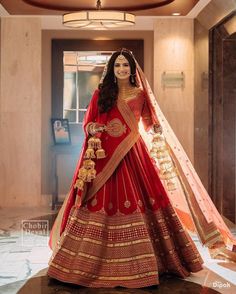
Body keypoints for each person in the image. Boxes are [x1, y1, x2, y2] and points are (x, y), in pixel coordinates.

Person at [47, 48, 235, 288]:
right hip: (105, 157)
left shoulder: (140, 95)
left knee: (143, 200)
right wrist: (93, 129)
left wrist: (156, 129)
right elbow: (88, 122)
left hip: (134, 155)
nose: (122, 69)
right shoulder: (101, 93)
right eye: (118, 66)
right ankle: (80, 265)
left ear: (133, 69)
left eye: (126, 65)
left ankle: (148, 265)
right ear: (111, 70)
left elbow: (148, 123)